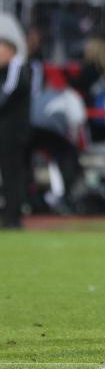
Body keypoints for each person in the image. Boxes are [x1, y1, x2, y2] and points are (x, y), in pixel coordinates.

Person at [0, 13, 29, 229]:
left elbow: (7, 93)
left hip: (13, 131)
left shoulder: (17, 67)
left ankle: (13, 217)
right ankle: (10, 214)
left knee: (12, 171)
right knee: (10, 171)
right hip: (9, 130)